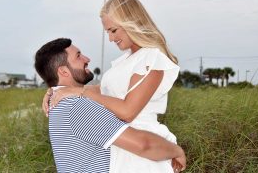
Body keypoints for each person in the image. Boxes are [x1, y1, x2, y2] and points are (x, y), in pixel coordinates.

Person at [35, 38, 186, 173]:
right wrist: (176, 150)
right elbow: (143, 144)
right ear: (63, 71)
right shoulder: (76, 106)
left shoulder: (62, 101)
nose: (86, 59)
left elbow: (100, 90)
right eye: (78, 56)